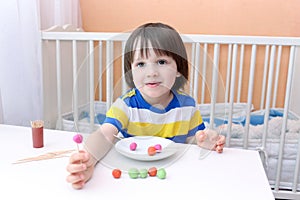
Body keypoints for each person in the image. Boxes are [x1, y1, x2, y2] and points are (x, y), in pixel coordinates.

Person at [66, 22, 225, 189]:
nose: (151, 72)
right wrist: (89, 160)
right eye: (141, 64)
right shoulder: (125, 105)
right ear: (131, 71)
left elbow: (193, 139)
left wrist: (204, 141)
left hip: (175, 179)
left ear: (178, 68)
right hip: (133, 179)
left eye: (161, 62)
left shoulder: (187, 106)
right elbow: (104, 135)